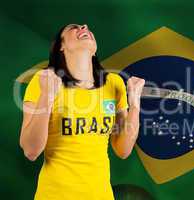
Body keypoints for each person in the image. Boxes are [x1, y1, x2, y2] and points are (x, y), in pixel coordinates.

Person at [19, 24, 145, 200]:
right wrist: (47, 96)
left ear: (94, 51)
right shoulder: (43, 80)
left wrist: (135, 104)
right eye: (74, 27)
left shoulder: (114, 84)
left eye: (86, 27)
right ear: (60, 46)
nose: (84, 27)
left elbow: (123, 150)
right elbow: (31, 151)